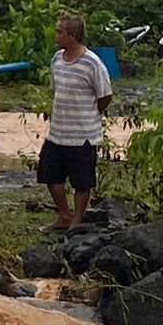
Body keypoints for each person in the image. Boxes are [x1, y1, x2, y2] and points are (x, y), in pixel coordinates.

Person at [38, 13, 113, 231]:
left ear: (73, 35)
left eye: (60, 31)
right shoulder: (57, 59)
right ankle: (64, 215)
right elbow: (57, 89)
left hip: (83, 135)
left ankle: (77, 222)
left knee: (82, 181)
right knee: (49, 174)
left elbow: (105, 95)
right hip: (58, 132)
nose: (56, 35)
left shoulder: (92, 63)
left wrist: (93, 113)